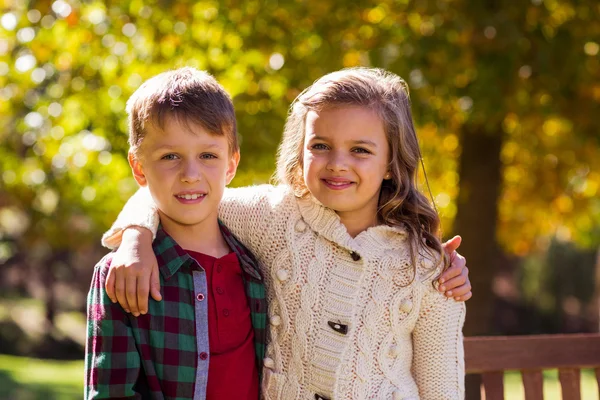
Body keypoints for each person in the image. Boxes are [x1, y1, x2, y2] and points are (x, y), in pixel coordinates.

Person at [103, 67, 468, 399]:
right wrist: (136, 237)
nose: (338, 163)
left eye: (360, 150)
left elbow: (442, 389)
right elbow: (183, 195)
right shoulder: (273, 216)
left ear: (390, 163)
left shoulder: (427, 268)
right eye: (320, 146)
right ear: (301, 149)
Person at [85, 67, 267, 399]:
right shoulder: (123, 275)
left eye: (208, 155)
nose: (191, 174)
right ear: (139, 167)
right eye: (170, 156)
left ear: (231, 164)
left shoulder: (257, 262)